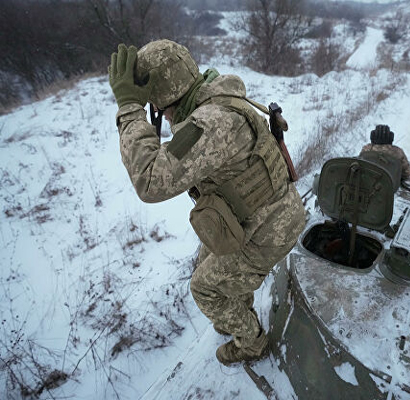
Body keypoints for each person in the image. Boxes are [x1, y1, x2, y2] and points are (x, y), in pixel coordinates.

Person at [108, 40, 305, 365]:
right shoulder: (216, 96)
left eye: (158, 108)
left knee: (204, 289)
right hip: (265, 216)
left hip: (269, 232)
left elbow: (150, 181)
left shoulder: (209, 125)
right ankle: (238, 306)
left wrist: (130, 109)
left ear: (166, 100)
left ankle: (252, 343)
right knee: (206, 262)